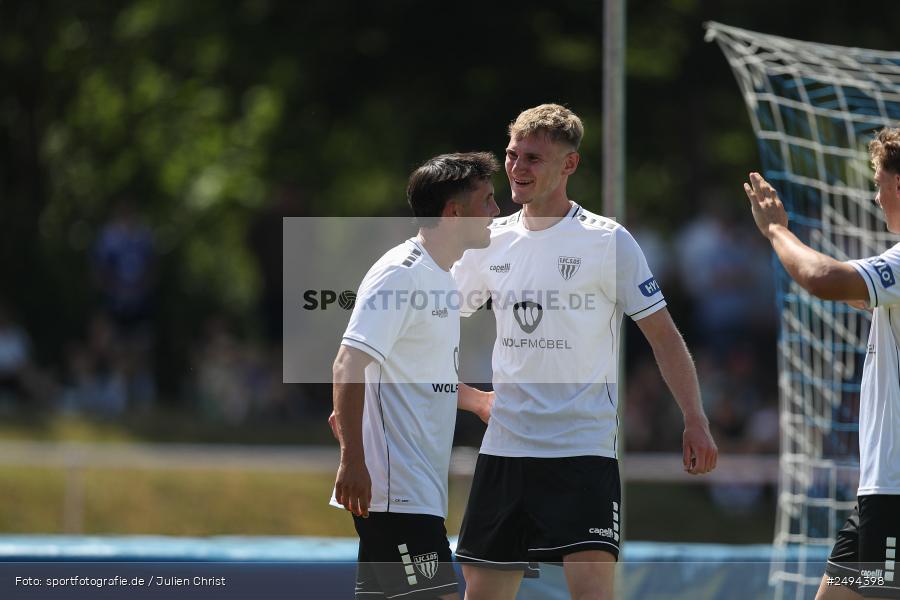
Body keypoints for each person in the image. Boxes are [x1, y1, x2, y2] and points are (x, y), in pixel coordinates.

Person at [451, 104, 718, 600]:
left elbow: (662, 334)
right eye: (512, 155)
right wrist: (465, 395)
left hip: (582, 450)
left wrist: (695, 418)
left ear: (568, 166)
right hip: (506, 449)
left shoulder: (606, 240)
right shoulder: (489, 241)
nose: (518, 168)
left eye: (533, 157)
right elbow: (433, 322)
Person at [330, 152, 500, 600]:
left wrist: (477, 400)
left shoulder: (440, 277)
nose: (496, 212)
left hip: (414, 490)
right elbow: (349, 363)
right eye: (487, 200)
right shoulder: (400, 275)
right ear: (454, 212)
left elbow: (417, 376)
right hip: (395, 491)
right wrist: (353, 459)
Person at [744, 127, 900, 600]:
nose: (874, 197)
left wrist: (777, 231)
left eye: (878, 182)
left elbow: (822, 278)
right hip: (881, 494)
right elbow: (853, 292)